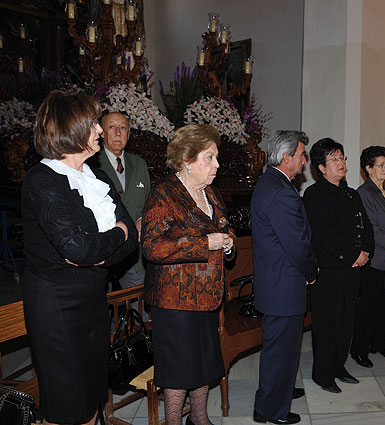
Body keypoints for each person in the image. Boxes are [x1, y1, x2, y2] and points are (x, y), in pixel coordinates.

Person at [21, 90, 137, 425]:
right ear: (70, 128)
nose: (100, 130)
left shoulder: (96, 176)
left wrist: (103, 246)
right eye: (93, 125)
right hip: (57, 305)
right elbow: (79, 248)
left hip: (91, 300)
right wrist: (115, 236)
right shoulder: (41, 180)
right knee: (65, 405)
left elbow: (131, 237)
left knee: (89, 396)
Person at [142, 124, 235, 425]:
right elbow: (152, 247)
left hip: (208, 296)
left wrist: (229, 242)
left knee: (204, 363)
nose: (216, 165)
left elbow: (223, 226)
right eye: (210, 158)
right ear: (187, 160)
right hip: (174, 301)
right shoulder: (164, 196)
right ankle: (172, 422)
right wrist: (206, 244)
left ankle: (199, 417)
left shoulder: (212, 193)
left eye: (216, 157)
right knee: (179, 368)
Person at [251, 130, 318, 425]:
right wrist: (311, 271)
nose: (304, 161)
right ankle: (271, 410)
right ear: (287, 156)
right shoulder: (279, 191)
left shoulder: (272, 182)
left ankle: (277, 394)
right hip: (283, 283)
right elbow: (297, 243)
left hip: (276, 281)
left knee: (282, 348)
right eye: (302, 155)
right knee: (280, 350)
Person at [303, 138, 374, 393]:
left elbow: (365, 226)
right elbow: (322, 233)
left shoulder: (352, 193)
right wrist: (353, 255)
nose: (341, 163)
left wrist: (366, 251)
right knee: (327, 323)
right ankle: (323, 374)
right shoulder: (314, 194)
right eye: (334, 159)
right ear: (321, 167)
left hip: (353, 268)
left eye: (342, 158)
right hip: (330, 270)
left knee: (346, 320)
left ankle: (338, 366)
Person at [350, 146, 385, 367]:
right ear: (368, 168)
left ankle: (380, 343)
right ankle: (360, 349)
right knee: (369, 307)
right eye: (380, 165)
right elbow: (372, 229)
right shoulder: (364, 193)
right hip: (376, 259)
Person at [95, 111, 151, 288]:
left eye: (123, 128)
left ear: (129, 134)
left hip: (134, 254)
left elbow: (150, 202)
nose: (118, 133)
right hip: (103, 252)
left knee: (138, 307)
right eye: (112, 127)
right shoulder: (91, 164)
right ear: (101, 132)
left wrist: (143, 219)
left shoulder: (139, 164)